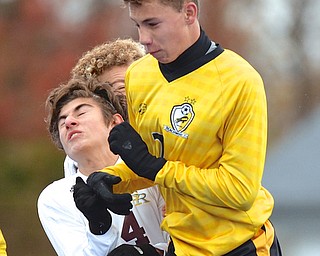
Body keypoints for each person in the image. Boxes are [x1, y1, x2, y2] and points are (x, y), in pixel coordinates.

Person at [81, 0, 282, 255]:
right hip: (180, 245)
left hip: (240, 245)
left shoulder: (239, 81)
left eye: (153, 24)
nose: (143, 39)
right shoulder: (139, 75)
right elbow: (149, 165)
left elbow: (239, 190)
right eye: (137, 25)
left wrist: (156, 167)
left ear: (189, 13)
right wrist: (110, 180)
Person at [38, 39, 169, 256]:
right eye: (118, 91)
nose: (131, 99)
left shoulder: (162, 155)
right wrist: (100, 228)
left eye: (137, 87)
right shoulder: (57, 197)